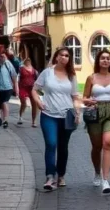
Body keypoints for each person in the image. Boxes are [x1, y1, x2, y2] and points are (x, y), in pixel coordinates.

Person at [32, 47, 81, 191]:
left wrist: (77, 113)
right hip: (49, 114)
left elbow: (75, 97)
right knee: (51, 144)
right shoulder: (47, 73)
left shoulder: (71, 75)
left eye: (67, 56)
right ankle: (50, 177)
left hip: (66, 116)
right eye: (62, 55)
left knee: (63, 147)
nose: (64, 58)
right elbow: (34, 89)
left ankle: (61, 175)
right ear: (57, 57)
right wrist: (38, 101)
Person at [83, 49, 110, 195]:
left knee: (107, 143)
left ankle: (106, 180)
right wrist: (88, 101)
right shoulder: (91, 78)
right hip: (95, 112)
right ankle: (97, 172)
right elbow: (84, 97)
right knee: (97, 146)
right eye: (102, 58)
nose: (105, 60)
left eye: (108, 58)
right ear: (98, 61)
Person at [0, 44, 18, 128]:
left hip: (7, 88)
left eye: (3, 56)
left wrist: (16, 87)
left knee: (4, 102)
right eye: (1, 56)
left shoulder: (8, 64)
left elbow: (14, 76)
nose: (2, 58)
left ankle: (5, 120)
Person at [17, 59, 38, 127]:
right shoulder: (21, 68)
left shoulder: (34, 70)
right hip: (23, 88)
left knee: (34, 104)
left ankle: (33, 121)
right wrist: (16, 88)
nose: (28, 62)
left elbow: (36, 78)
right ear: (25, 62)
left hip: (31, 88)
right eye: (27, 61)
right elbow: (17, 78)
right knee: (24, 103)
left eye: (29, 61)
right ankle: (20, 117)